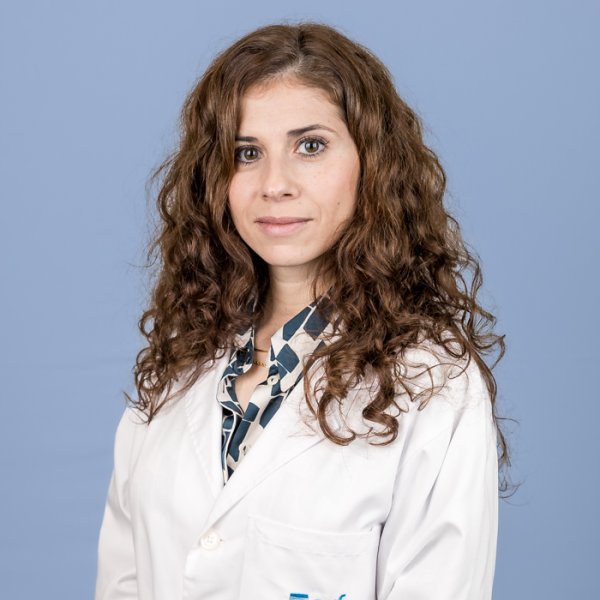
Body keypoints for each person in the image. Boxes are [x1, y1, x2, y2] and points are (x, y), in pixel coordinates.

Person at [95, 21, 508, 600]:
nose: (275, 184)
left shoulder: (431, 382)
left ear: (372, 163)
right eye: (246, 153)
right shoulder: (177, 368)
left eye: (310, 146)